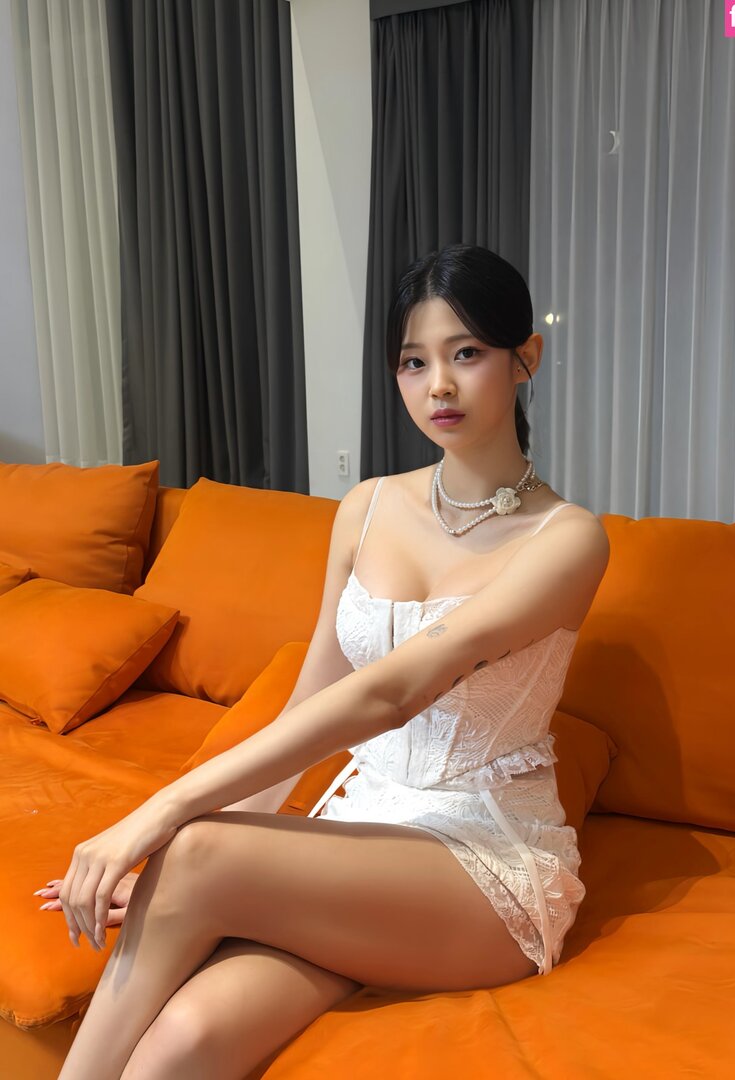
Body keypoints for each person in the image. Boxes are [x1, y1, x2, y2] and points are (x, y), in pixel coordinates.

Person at [39, 242, 610, 1079]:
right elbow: (313, 701)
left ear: (526, 357)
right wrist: (179, 877)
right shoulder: (366, 507)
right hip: (357, 838)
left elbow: (392, 693)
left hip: (482, 862)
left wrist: (161, 818)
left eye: (466, 354)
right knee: (180, 1044)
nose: (437, 386)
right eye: (413, 362)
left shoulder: (567, 540)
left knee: (194, 849)